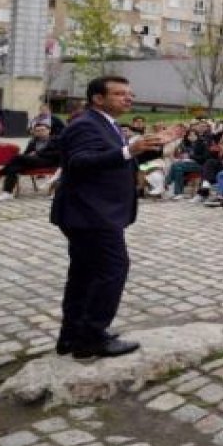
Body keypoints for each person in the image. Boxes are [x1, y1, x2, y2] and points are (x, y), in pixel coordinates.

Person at [51, 76, 164, 359]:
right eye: (120, 94)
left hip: (92, 212)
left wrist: (149, 145)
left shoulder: (104, 123)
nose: (129, 99)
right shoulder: (86, 123)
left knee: (84, 274)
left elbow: (113, 158)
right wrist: (129, 149)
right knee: (112, 270)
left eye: (130, 93)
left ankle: (72, 335)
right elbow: (79, 162)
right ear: (98, 98)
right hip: (91, 214)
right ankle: (91, 339)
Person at [0, 122, 60, 202]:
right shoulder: (33, 141)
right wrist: (29, 155)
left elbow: (57, 154)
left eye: (42, 130)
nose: (40, 132)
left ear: (49, 130)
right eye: (37, 131)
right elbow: (26, 154)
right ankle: (7, 193)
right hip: (32, 161)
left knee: (17, 157)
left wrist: (37, 153)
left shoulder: (56, 140)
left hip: (48, 162)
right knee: (13, 168)